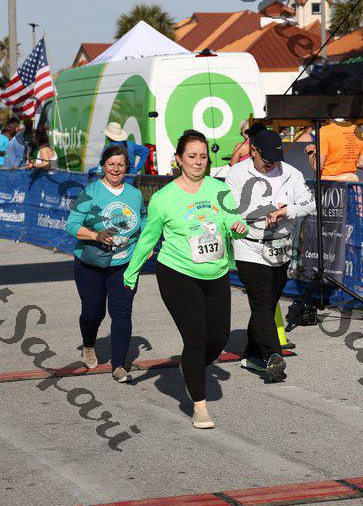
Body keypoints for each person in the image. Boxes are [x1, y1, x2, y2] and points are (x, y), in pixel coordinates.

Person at [123, 130, 248, 429]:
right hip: (177, 273)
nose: (198, 161)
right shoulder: (163, 198)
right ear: (179, 159)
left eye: (203, 156)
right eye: (191, 156)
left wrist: (237, 225)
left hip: (216, 272)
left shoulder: (219, 189)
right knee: (196, 338)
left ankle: (190, 366)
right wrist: (131, 272)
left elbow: (230, 217)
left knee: (218, 338)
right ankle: (200, 406)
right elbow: (148, 238)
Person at [225, 123, 316, 380]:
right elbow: (232, 208)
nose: (271, 164)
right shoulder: (237, 173)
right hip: (249, 246)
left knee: (268, 302)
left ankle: (252, 355)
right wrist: (265, 210)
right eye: (266, 159)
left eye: (275, 158)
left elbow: (310, 202)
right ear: (253, 151)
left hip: (281, 246)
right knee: (262, 300)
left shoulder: (291, 172)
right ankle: (273, 355)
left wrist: (286, 210)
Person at [66, 145, 146, 383]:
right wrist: (95, 235)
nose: (116, 169)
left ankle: (119, 365)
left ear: (127, 167)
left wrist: (146, 241)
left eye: (121, 164)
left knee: (122, 313)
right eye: (111, 164)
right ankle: (88, 345)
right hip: (91, 263)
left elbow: (143, 218)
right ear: (103, 166)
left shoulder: (134, 194)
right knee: (93, 312)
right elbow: (71, 224)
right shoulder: (91, 192)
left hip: (125, 263)